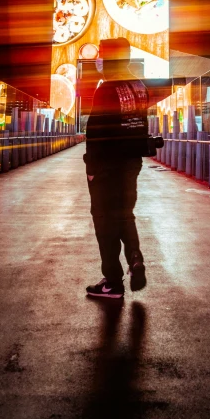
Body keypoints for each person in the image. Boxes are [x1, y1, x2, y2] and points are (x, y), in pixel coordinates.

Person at [83, 37, 149, 299]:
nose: (98, 59)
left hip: (106, 166)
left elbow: (95, 132)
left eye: (100, 54)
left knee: (104, 220)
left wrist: (91, 167)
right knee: (124, 213)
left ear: (109, 57)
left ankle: (113, 282)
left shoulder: (107, 88)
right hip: (132, 162)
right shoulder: (139, 85)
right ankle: (134, 256)